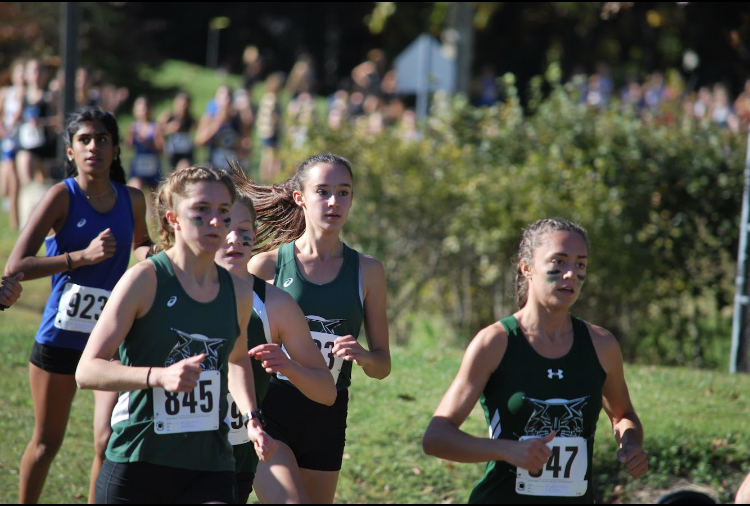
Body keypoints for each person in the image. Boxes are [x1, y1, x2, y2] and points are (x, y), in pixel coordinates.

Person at [75, 164, 277, 504]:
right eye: (201, 210)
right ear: (173, 219)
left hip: (210, 464)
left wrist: (252, 418)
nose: (216, 221)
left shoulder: (237, 292)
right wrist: (159, 377)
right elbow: (87, 370)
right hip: (140, 459)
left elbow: (237, 358)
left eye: (223, 211)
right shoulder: (144, 280)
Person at [422, 218, 647, 504]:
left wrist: (630, 444)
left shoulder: (601, 345)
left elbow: (623, 415)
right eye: (559, 262)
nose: (570, 275)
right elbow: (436, 438)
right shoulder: (495, 342)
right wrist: (506, 450)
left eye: (580, 265)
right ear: (526, 267)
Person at [4, 106, 152, 504]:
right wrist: (80, 258)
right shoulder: (61, 196)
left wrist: (152, 255)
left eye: (102, 139)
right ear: (70, 150)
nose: (93, 147)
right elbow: (16, 266)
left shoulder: (132, 200)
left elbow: (140, 244)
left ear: (116, 148)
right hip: (61, 337)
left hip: (110, 339)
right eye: (84, 140)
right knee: (46, 444)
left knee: (106, 440)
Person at [247, 152, 391, 503]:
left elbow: (383, 365)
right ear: (300, 198)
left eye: (343, 192)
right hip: (271, 410)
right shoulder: (266, 267)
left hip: (327, 413)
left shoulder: (368, 271)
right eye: (323, 191)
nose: (333, 202)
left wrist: (363, 356)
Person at [216, 161, 336, 503]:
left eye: (243, 229)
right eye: (225, 226)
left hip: (246, 442)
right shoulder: (168, 288)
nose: (234, 238)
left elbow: (327, 391)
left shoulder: (275, 304)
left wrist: (287, 365)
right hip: (179, 445)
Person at [0, 59, 26, 231]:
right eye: (20, 71)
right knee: (6, 185)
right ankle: (13, 218)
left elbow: (20, 113)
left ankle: (16, 222)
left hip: (21, 141)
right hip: (7, 140)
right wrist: (3, 129)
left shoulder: (26, 93)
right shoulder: (5, 92)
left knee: (16, 182)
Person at [126, 95, 164, 195]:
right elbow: (128, 145)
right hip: (139, 164)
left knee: (154, 196)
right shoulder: (134, 127)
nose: (144, 111)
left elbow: (161, 148)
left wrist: (148, 143)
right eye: (141, 108)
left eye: (146, 107)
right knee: (134, 188)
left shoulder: (155, 127)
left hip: (152, 165)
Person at [158, 91, 196, 172]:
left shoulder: (190, 119)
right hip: (173, 152)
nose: (183, 107)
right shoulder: (169, 116)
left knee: (185, 167)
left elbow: (199, 131)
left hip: (186, 152)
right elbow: (157, 131)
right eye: (181, 104)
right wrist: (170, 128)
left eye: (186, 104)